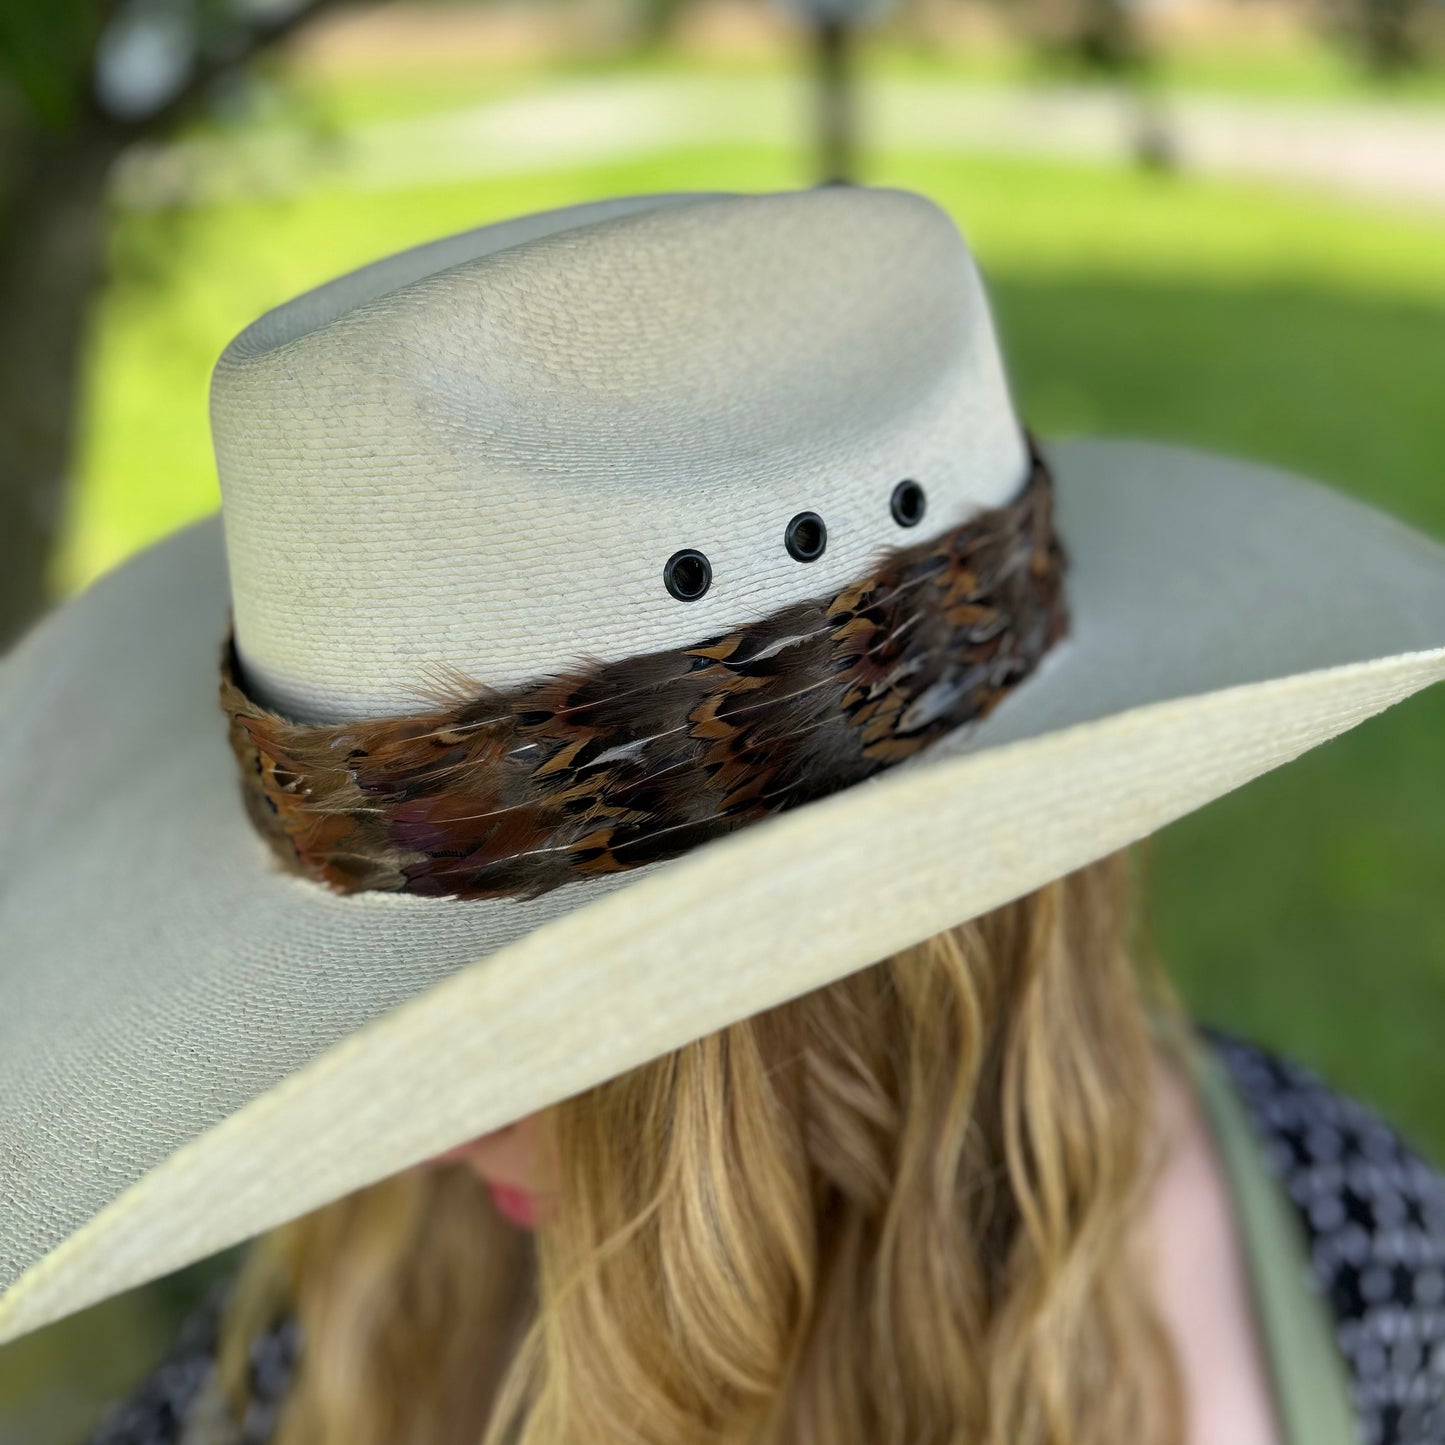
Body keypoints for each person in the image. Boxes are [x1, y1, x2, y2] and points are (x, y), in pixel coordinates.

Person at [0, 187, 1442, 1445]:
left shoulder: (1355, 1274)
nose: (425, 1138)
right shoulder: (365, 1304)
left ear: (842, 979)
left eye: (515, 1025)